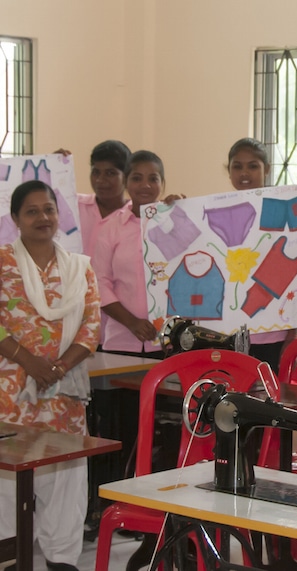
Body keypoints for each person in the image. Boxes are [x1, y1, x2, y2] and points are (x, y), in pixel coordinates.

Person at [0, 180, 101, 571]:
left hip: (63, 391)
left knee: (64, 475)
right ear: (15, 219)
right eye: (32, 211)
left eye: (49, 209)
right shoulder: (3, 262)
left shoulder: (80, 267)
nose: (43, 217)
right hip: (10, 393)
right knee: (7, 477)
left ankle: (62, 559)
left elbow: (91, 329)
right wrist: (30, 362)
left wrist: (56, 367)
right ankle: (9, 557)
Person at [92, 150, 182, 356]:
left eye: (153, 179)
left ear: (163, 184)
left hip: (170, 340)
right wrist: (131, 323)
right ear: (126, 182)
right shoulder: (111, 227)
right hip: (121, 339)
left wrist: (185, 210)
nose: (145, 185)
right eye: (137, 178)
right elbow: (100, 283)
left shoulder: (175, 220)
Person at [226, 138, 296, 371]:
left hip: (271, 330)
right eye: (237, 166)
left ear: (266, 169)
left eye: (252, 166)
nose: (244, 172)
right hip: (227, 329)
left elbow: (294, 271)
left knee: (265, 399)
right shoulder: (218, 210)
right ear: (229, 171)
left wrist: (293, 327)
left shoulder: (282, 208)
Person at [78, 140, 131, 257]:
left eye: (110, 173)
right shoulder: (73, 206)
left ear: (127, 176)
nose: (100, 180)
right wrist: (55, 163)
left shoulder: (136, 217)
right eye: (96, 172)